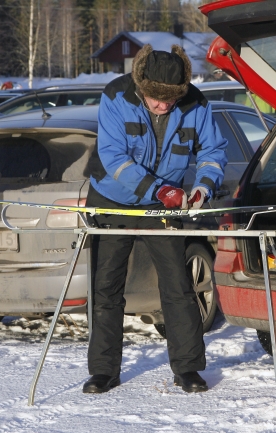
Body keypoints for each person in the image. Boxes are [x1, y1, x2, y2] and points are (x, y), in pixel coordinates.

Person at [82, 44, 228, 394]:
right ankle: (104, 371)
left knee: (178, 286)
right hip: (112, 199)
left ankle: (188, 369)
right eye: (156, 98)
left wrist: (203, 188)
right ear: (142, 86)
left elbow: (213, 151)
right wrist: (159, 191)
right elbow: (113, 156)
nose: (163, 105)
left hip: (165, 206)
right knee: (106, 289)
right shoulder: (116, 96)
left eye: (170, 100)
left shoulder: (197, 103)